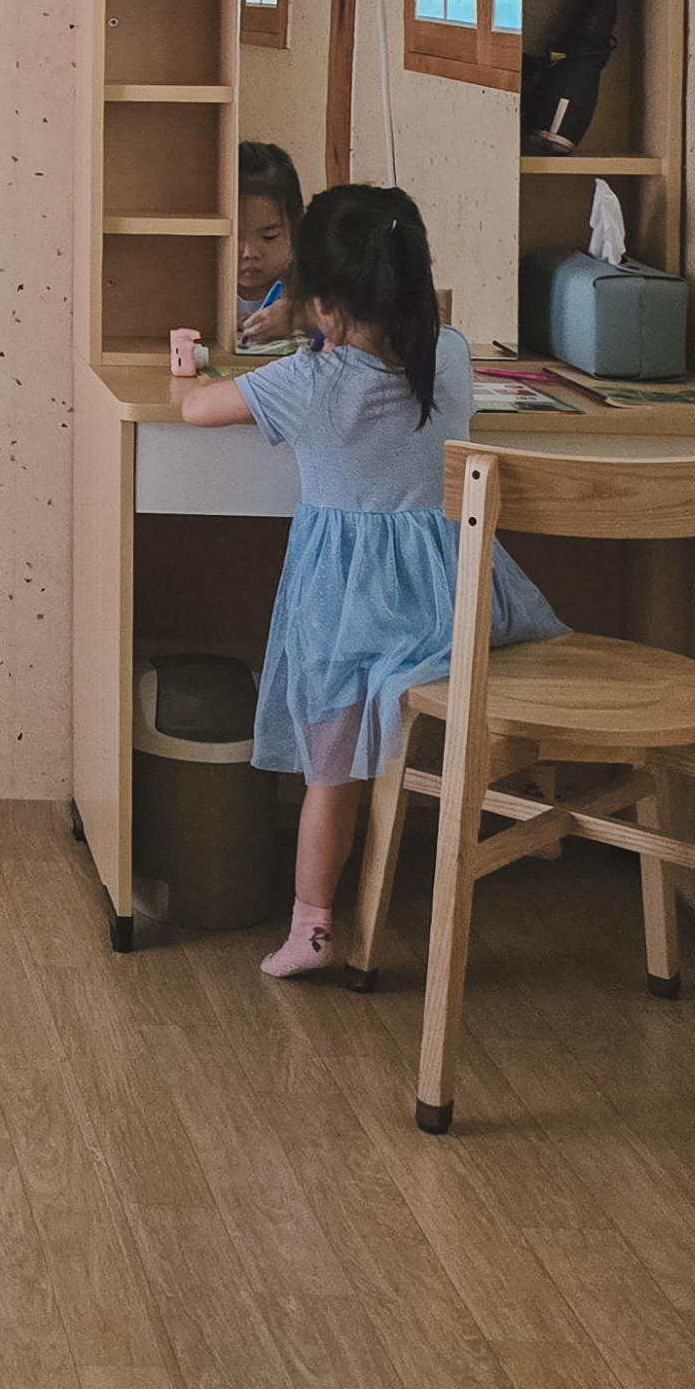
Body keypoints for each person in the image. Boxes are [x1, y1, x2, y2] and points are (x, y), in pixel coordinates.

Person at [175, 183, 564, 978]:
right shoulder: (448, 358)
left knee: (332, 772)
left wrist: (188, 370)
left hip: (349, 617)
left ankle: (313, 928)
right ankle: (540, 792)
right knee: (496, 661)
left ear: (319, 303)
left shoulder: (306, 384)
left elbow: (196, 411)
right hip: (451, 607)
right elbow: (428, 331)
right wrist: (315, 321)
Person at [232, 140, 305, 351]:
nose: (249, 253)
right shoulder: (198, 293)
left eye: (269, 236)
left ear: (295, 229)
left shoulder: (310, 290)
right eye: (235, 237)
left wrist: (300, 317)